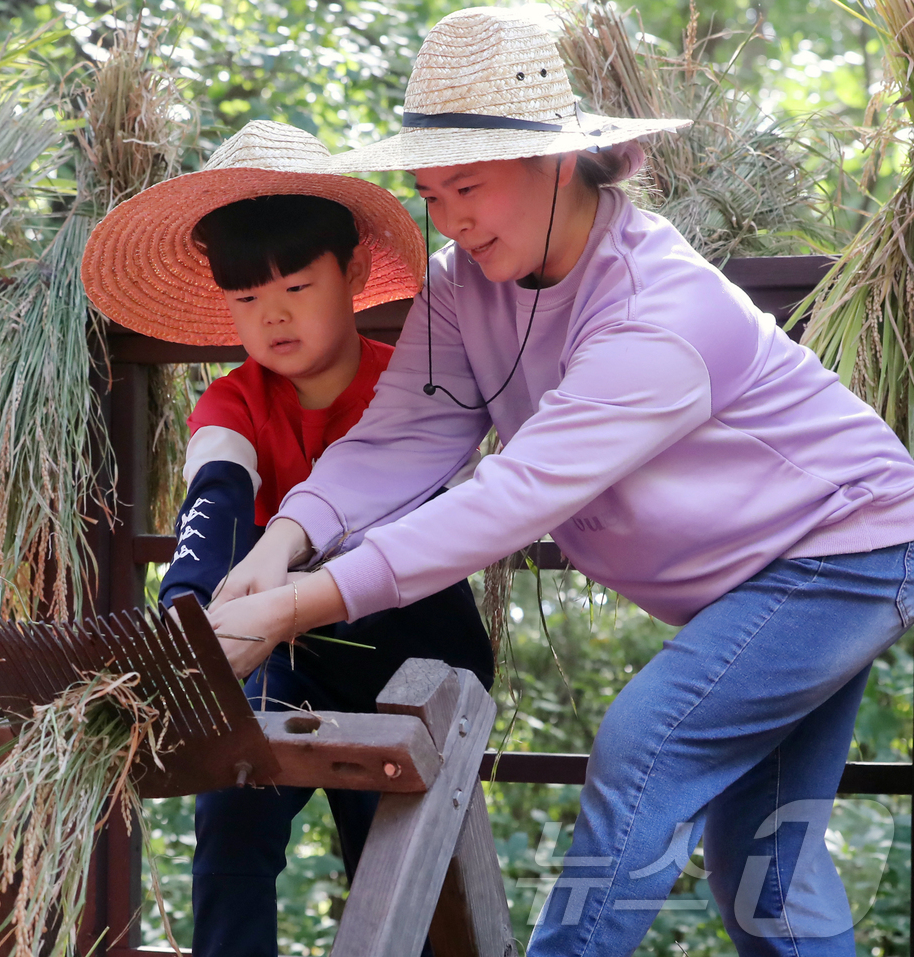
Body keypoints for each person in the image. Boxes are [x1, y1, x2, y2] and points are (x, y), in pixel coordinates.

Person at [205, 10, 914, 957]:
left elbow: (513, 497)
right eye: (428, 190)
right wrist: (279, 542)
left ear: (558, 162)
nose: (449, 219)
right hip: (758, 581)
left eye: (469, 186)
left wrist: (296, 606)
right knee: (767, 873)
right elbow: (407, 436)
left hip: (848, 552)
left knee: (641, 749)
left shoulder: (661, 313)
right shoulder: (463, 284)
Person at [81, 120, 493, 957]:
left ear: (352, 276)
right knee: (230, 817)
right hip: (272, 648)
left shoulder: (412, 388)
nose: (271, 319)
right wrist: (188, 619)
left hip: (410, 645)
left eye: (298, 288)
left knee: (393, 849)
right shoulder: (231, 404)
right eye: (245, 301)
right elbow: (216, 498)